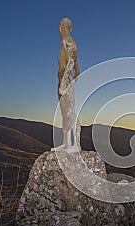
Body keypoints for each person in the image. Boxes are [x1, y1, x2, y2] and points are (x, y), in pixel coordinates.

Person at [57, 18, 81, 149]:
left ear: (70, 29)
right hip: (65, 78)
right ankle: (67, 144)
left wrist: (63, 83)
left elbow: (70, 63)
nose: (61, 29)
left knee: (68, 112)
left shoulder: (68, 43)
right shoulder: (71, 43)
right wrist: (77, 72)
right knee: (64, 112)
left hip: (65, 80)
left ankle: (75, 144)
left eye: (64, 26)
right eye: (61, 26)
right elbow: (75, 64)